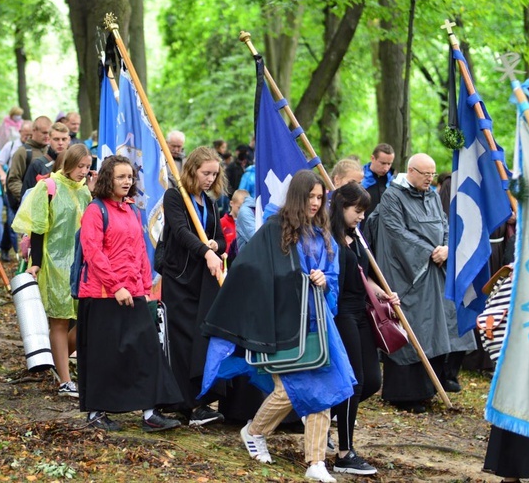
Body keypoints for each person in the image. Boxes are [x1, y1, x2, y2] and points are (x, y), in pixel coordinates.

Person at [200, 169, 354, 483]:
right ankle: (254, 431)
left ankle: (315, 462)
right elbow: (250, 270)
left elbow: (333, 276)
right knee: (288, 389)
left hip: (317, 323)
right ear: (297, 196)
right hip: (282, 322)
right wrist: (294, 281)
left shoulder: (324, 233)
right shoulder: (275, 228)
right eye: (310, 196)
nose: (315, 202)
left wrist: (323, 281)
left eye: (319, 197)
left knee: (323, 388)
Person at [76, 155, 183, 432]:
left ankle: (149, 412)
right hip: (101, 296)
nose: (127, 181)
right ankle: (96, 414)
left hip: (133, 293)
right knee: (104, 355)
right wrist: (116, 286)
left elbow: (138, 253)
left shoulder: (133, 210)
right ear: (107, 179)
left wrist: (145, 288)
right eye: (120, 177)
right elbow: (93, 253)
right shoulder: (95, 211)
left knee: (147, 350)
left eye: (130, 177)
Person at [367, 153, 475, 413]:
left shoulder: (433, 196)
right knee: (413, 327)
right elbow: (395, 232)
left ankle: (429, 388)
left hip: (435, 272)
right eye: (425, 174)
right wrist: (429, 252)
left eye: (433, 174)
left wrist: (447, 248)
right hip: (408, 275)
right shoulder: (393, 196)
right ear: (411, 171)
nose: (430, 178)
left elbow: (445, 225)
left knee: (436, 328)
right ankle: (404, 394)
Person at [328, 181, 400, 476]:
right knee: (353, 382)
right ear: (341, 206)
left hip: (361, 312)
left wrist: (380, 292)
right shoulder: (327, 237)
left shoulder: (354, 235)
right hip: (340, 314)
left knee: (371, 380)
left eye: (363, 211)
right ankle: (345, 452)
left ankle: (318, 416)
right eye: (357, 210)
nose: (361, 216)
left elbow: (363, 274)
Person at [12, 144, 94, 398]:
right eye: (80, 166)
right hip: (55, 262)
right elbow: (38, 226)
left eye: (88, 167)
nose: (84, 171)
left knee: (85, 320)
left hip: (80, 263)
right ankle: (65, 380)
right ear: (68, 163)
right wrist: (36, 261)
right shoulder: (48, 187)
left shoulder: (84, 193)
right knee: (59, 320)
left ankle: (54, 359)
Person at [159, 146, 227, 425]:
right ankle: (180, 402)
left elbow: (222, 239)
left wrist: (214, 246)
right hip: (179, 276)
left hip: (203, 280)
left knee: (201, 337)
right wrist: (205, 250)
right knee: (181, 338)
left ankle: (200, 402)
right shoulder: (175, 196)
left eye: (214, 173)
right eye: (205, 173)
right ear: (192, 170)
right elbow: (181, 232)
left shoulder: (209, 202)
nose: (210, 179)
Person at [0, 120, 34, 260]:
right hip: (11, 190)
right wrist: (3, 175)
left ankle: (15, 250)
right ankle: (7, 250)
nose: (28, 137)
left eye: (31, 135)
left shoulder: (36, 149)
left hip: (28, 191)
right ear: (20, 132)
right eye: (25, 134)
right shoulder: (11, 146)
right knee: (12, 221)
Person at [6, 115, 51, 210]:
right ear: (34, 130)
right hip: (27, 208)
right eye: (44, 133)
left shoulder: (50, 151)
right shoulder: (23, 152)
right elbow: (13, 180)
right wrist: (28, 198)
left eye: (49, 133)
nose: (47, 136)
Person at [21, 121, 70, 195]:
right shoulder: (37, 164)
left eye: (64, 139)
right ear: (49, 139)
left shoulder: (75, 164)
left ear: (69, 140)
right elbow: (26, 196)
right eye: (56, 139)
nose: (60, 143)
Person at [361, 143, 394, 221]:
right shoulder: (361, 179)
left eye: (389, 164)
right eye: (382, 163)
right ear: (372, 158)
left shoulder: (394, 182)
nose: (386, 168)